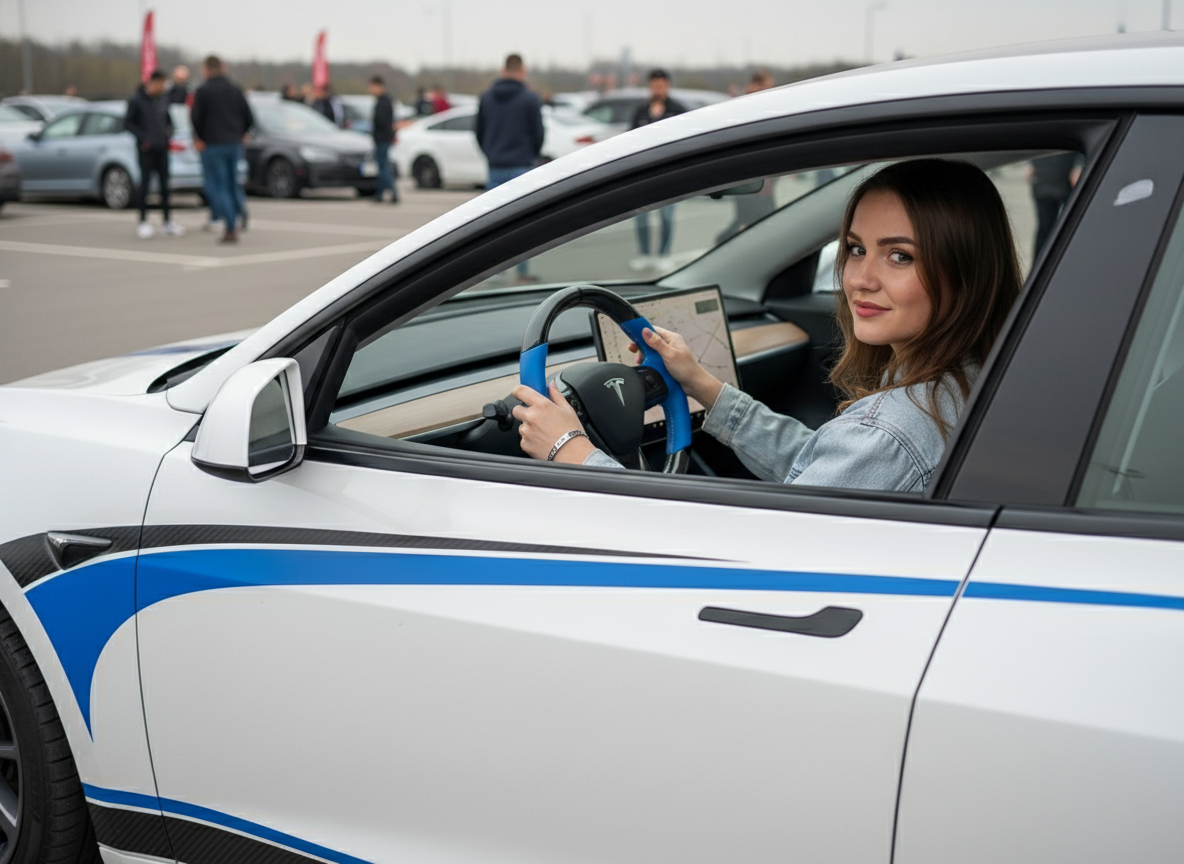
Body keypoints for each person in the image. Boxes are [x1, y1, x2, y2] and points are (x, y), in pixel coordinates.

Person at [511, 159, 1023, 492]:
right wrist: (704, 386)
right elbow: (821, 467)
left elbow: (722, 557)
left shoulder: (889, 432)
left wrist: (571, 451)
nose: (859, 279)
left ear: (965, 270)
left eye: (900, 257)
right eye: (856, 250)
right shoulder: (968, 378)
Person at [476, 53, 545, 281]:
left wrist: (491, 153)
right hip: (521, 165)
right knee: (523, 223)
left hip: (495, 166)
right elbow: (538, 134)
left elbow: (478, 132)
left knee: (495, 222)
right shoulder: (530, 98)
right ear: (521, 70)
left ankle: (497, 270)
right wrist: (529, 155)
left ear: (503, 69)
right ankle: (522, 272)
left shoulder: (486, 98)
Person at [191, 55, 253, 244]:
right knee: (232, 182)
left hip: (213, 145)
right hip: (233, 144)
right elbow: (248, 115)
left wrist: (199, 137)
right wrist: (242, 132)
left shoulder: (203, 90)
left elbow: (195, 117)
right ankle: (241, 212)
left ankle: (230, 226)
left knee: (217, 187)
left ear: (208, 68)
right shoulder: (235, 88)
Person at [629, 70, 687, 272]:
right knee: (642, 217)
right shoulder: (641, 111)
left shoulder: (677, 110)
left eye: (661, 86)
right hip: (644, 173)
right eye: (654, 85)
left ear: (667, 86)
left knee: (667, 216)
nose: (658, 89)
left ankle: (664, 254)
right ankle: (645, 254)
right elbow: (631, 139)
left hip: (669, 173)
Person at [126, 70, 184, 239]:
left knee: (165, 186)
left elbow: (168, 119)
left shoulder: (163, 98)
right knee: (145, 185)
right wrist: (143, 138)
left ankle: (167, 221)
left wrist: (169, 131)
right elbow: (128, 123)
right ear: (152, 82)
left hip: (162, 148)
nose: (163, 87)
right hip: (146, 150)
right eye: (160, 84)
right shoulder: (137, 100)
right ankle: (143, 221)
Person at [1030, 152, 1079, 255]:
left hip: (1063, 176)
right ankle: (1040, 262)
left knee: (1071, 226)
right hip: (1046, 180)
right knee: (1046, 228)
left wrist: (1079, 165)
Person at [368, 75, 398, 204]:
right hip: (383, 138)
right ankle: (379, 194)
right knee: (381, 167)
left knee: (383, 168)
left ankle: (393, 191)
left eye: (372, 87)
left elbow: (383, 122)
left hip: (382, 139)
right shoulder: (384, 100)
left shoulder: (383, 102)